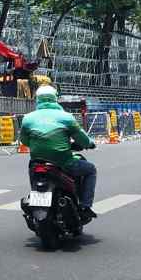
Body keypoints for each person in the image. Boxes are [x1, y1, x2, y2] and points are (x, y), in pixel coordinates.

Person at [19, 83, 98, 221]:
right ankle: (85, 206)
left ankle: (34, 197)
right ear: (55, 98)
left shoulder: (28, 118)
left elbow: (25, 141)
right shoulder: (66, 117)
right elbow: (82, 139)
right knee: (91, 170)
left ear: (37, 99)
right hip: (63, 163)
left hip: (37, 163)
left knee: (33, 173)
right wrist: (90, 144)